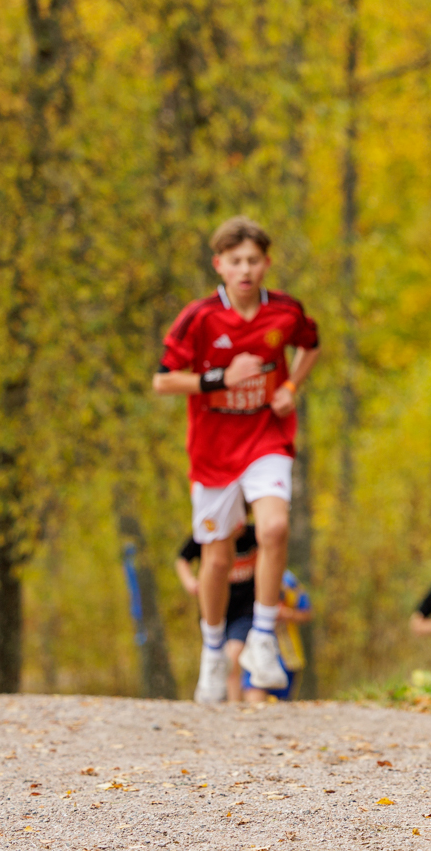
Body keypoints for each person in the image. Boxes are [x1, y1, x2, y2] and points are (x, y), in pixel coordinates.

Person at [154, 216, 321, 704]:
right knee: (218, 557)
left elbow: (311, 345)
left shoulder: (285, 310)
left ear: (266, 263)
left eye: (253, 260)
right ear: (219, 265)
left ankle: (262, 640)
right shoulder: (200, 317)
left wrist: (291, 386)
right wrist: (219, 379)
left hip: (267, 438)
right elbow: (163, 380)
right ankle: (212, 651)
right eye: (235, 261)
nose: (245, 269)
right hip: (213, 452)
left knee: (274, 528)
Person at [176, 525, 259, 703]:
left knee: (233, 657)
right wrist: (189, 581)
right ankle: (217, 698)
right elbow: (182, 559)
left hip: (244, 612)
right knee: (218, 658)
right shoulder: (208, 533)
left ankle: (234, 706)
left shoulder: (254, 536)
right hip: (214, 613)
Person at [254, 569, 313, 701]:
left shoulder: (288, 580)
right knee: (254, 689)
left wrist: (287, 614)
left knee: (282, 701)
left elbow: (307, 613)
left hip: (287, 653)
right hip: (252, 649)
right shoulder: (245, 576)